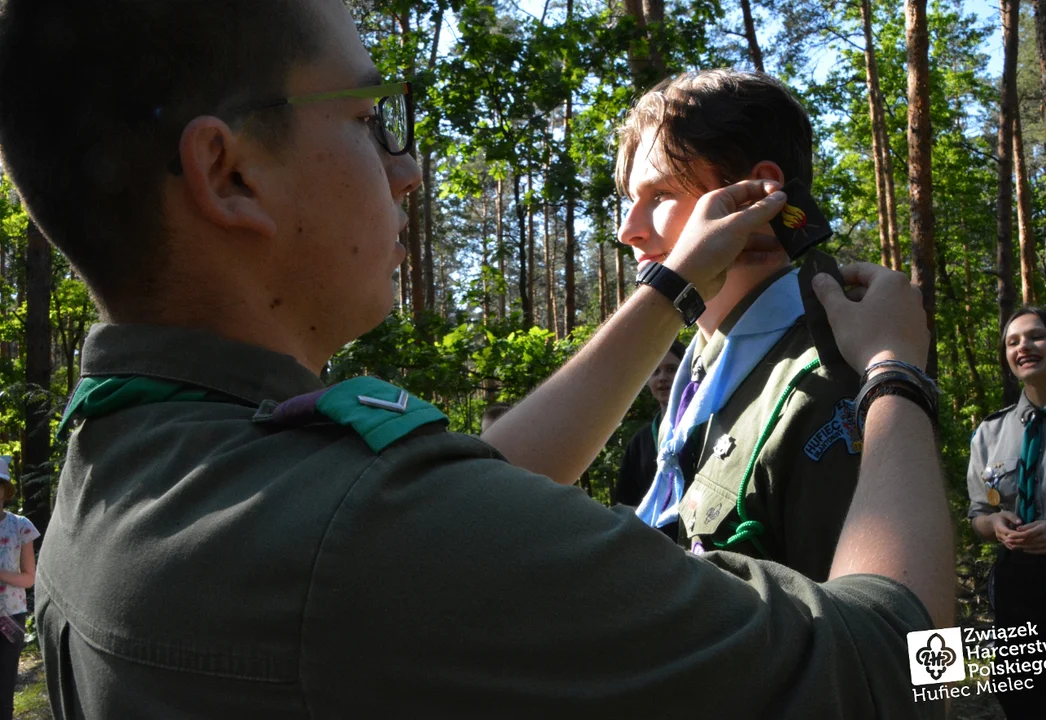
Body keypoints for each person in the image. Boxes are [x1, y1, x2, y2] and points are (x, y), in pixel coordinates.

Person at [0, 1, 951, 716]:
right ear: (231, 173)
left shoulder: (120, 463)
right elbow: (904, 661)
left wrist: (1035, 660)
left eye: (655, 198)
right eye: (370, 120)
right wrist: (900, 376)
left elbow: (480, 481)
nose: (407, 169)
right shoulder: (357, 532)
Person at [606, 70, 863, 579]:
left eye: (659, 197)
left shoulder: (832, 376)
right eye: (630, 201)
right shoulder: (697, 373)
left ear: (754, 196)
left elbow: (899, 639)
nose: (627, 230)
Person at [967, 307, 1046, 719]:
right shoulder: (989, 433)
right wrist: (993, 524)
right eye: (1013, 342)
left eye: (1035, 337)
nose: (1023, 348)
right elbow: (977, 513)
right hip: (1018, 593)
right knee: (1029, 706)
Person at [614, 340, 685, 516]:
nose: (662, 378)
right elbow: (624, 504)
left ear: (688, 372)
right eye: (655, 371)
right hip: (652, 540)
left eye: (671, 369)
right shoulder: (639, 442)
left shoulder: (704, 428)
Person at [0, 457, 39, 720]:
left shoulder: (20, 526)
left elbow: (29, 579)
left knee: (3, 689)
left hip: (11, 616)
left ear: (6, 491)